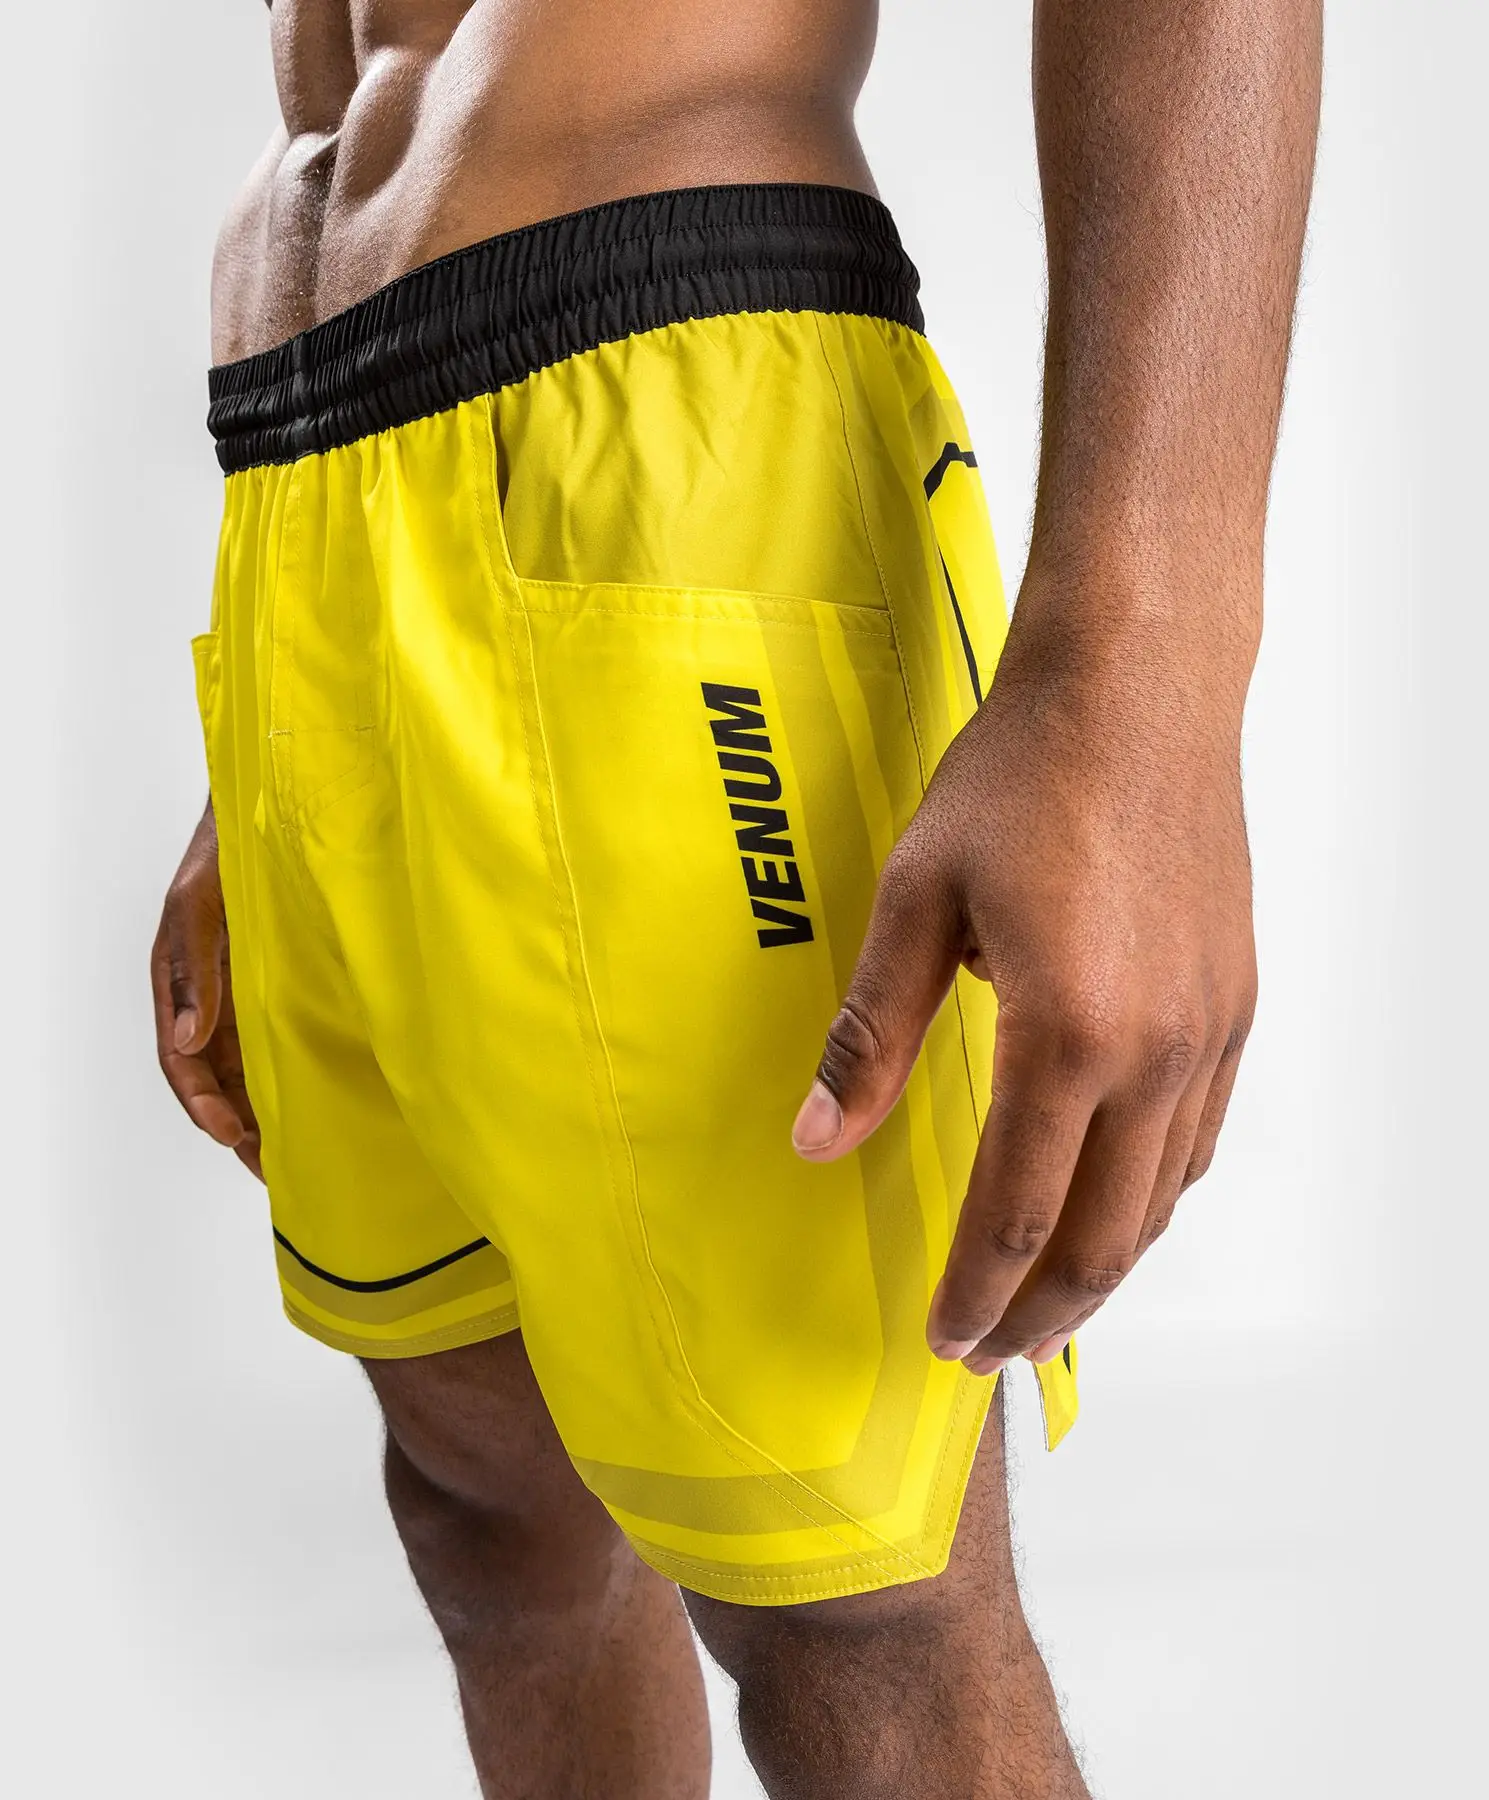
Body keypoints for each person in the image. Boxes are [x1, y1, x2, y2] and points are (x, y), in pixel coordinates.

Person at [150, 1, 1321, 1793]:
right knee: (487, 1513)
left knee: (857, 1616)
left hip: (659, 418)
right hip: (310, 484)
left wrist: (1144, 682)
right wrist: (283, 744)